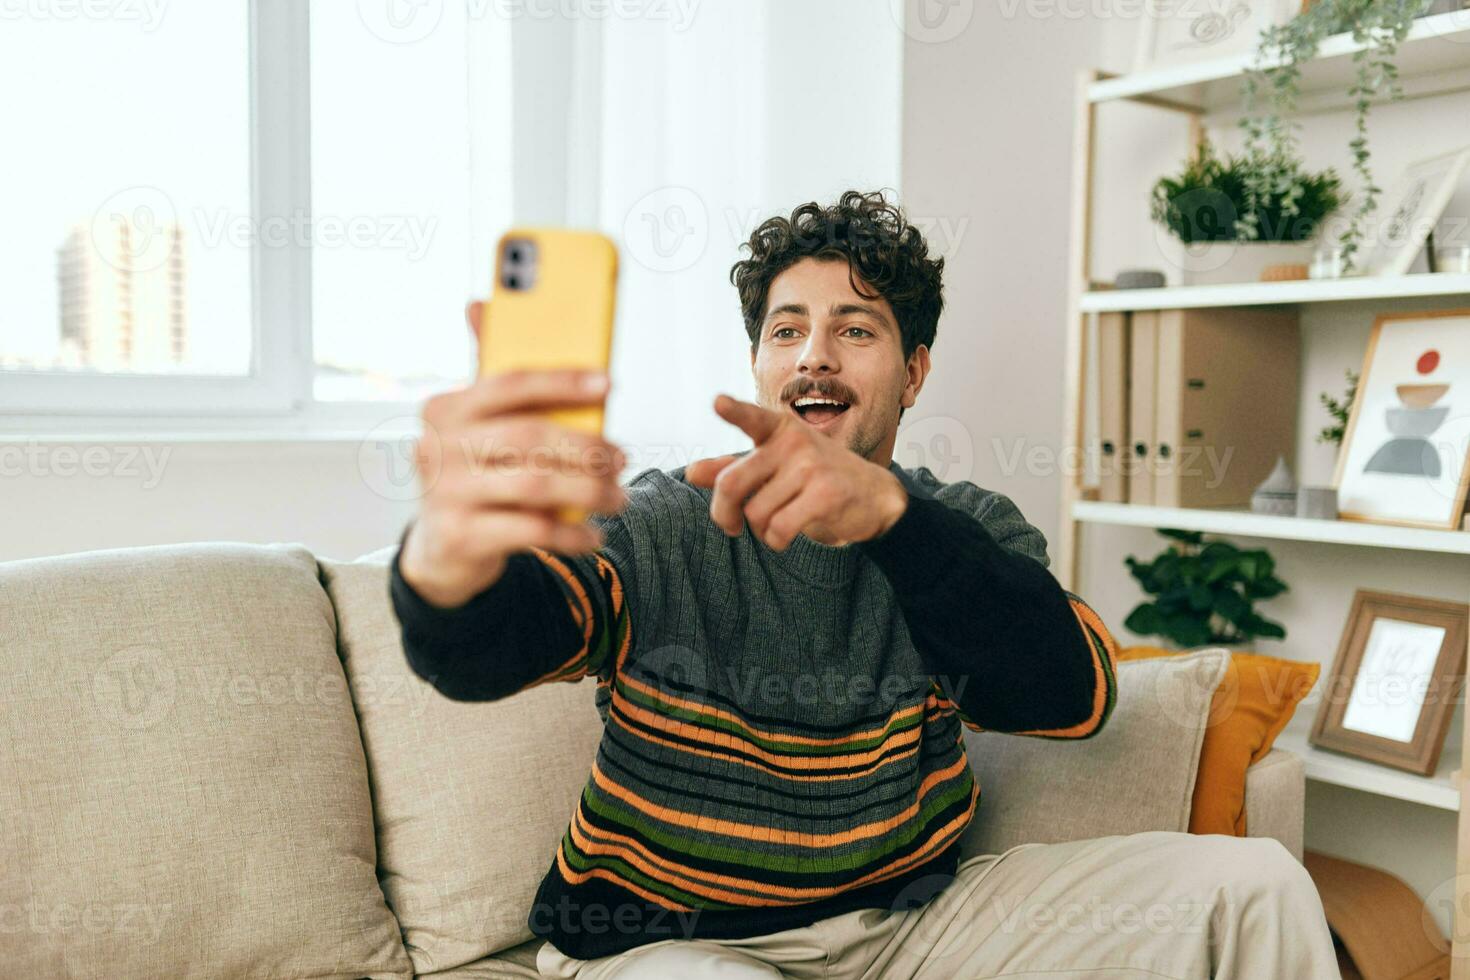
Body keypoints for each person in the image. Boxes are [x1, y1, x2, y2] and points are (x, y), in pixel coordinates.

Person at [390, 191, 1338, 979]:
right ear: (760, 365)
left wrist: (893, 521)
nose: (814, 356)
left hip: (906, 933)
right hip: (663, 944)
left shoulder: (961, 530)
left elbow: (1071, 695)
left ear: (913, 372)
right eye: (786, 331)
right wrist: (443, 561)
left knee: (1257, 884)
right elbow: (488, 649)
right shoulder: (671, 522)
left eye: (855, 329)